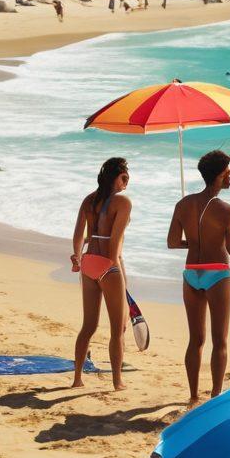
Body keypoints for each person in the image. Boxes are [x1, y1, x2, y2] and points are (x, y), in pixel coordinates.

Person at [166, 150, 230, 408]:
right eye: (228, 171)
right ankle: (215, 396)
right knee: (219, 339)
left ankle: (192, 395)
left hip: (191, 272)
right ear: (220, 175)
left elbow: (173, 242)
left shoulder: (183, 204)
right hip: (217, 273)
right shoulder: (225, 209)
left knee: (195, 339)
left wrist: (197, 241)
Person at [70, 157, 131, 390]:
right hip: (109, 265)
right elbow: (114, 244)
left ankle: (77, 379)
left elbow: (78, 235)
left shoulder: (89, 200)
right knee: (118, 327)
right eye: (124, 177)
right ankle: (117, 381)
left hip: (88, 263)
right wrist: (120, 276)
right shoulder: (123, 202)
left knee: (89, 326)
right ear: (115, 178)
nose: (126, 182)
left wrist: (77, 257)